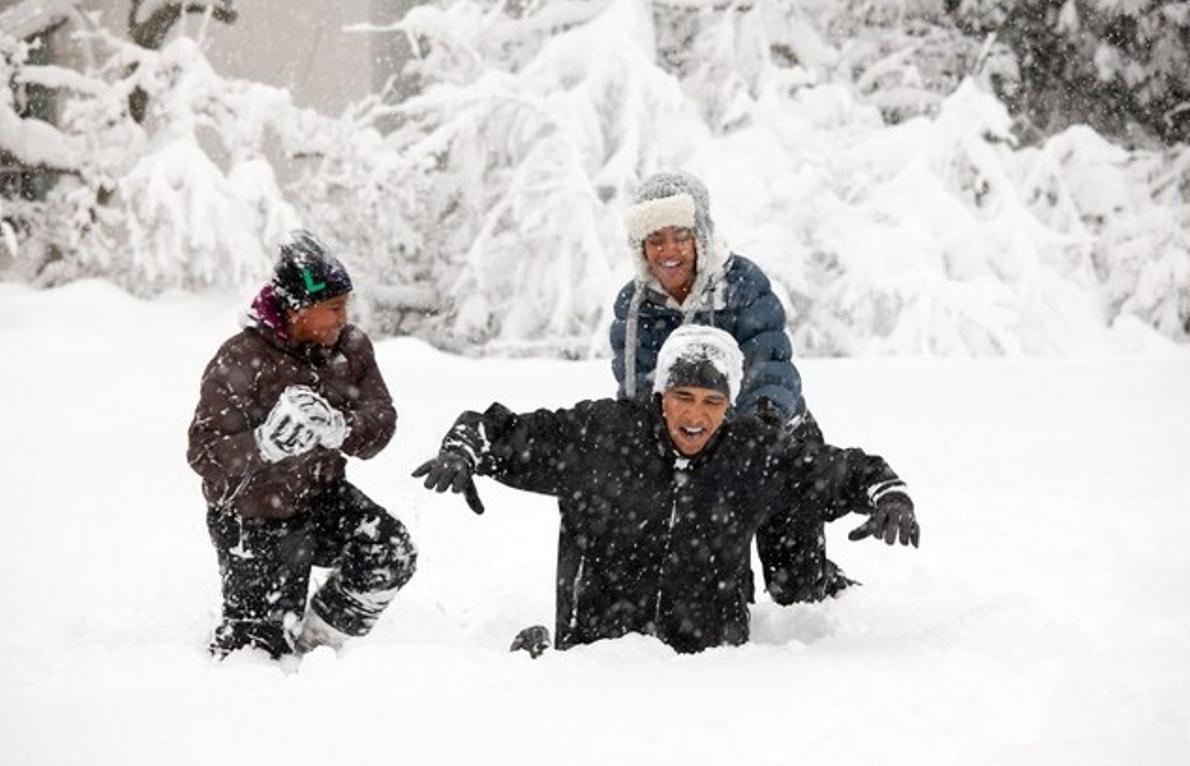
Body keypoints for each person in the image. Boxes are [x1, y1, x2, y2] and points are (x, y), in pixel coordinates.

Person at [414, 326, 918, 655]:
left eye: (712, 401)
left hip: (707, 676)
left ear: (729, 405)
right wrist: (464, 451)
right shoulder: (603, 433)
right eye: (682, 397)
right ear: (660, 395)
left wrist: (887, 495)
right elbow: (498, 431)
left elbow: (843, 470)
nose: (695, 416)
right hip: (595, 664)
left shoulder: (752, 454)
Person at [610, 170, 842, 606]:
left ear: (700, 235)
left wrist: (762, 422)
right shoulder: (634, 305)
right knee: (718, 588)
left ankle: (825, 582)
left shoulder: (742, 284)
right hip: (698, 450)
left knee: (795, 589)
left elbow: (770, 360)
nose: (669, 251)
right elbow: (637, 387)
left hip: (774, 437)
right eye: (655, 240)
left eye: (679, 236)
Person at [187, 230, 417, 659]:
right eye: (332, 308)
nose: (343, 318)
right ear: (296, 309)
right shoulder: (240, 359)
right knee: (255, 655)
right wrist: (262, 445)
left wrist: (341, 428)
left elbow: (381, 422)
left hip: (321, 497)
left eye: (345, 305)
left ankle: (317, 646)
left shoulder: (352, 348)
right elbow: (203, 453)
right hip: (251, 518)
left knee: (390, 553)